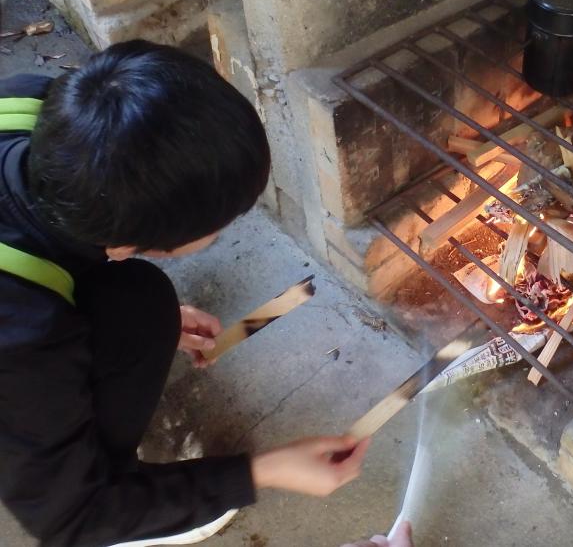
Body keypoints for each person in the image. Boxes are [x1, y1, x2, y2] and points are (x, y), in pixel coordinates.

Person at [0, 41, 383, 546]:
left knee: (142, 307)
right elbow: (69, 520)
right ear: (128, 244)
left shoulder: (27, 103)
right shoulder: (24, 338)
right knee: (137, 313)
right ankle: (131, 500)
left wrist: (153, 318)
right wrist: (258, 472)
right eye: (219, 226)